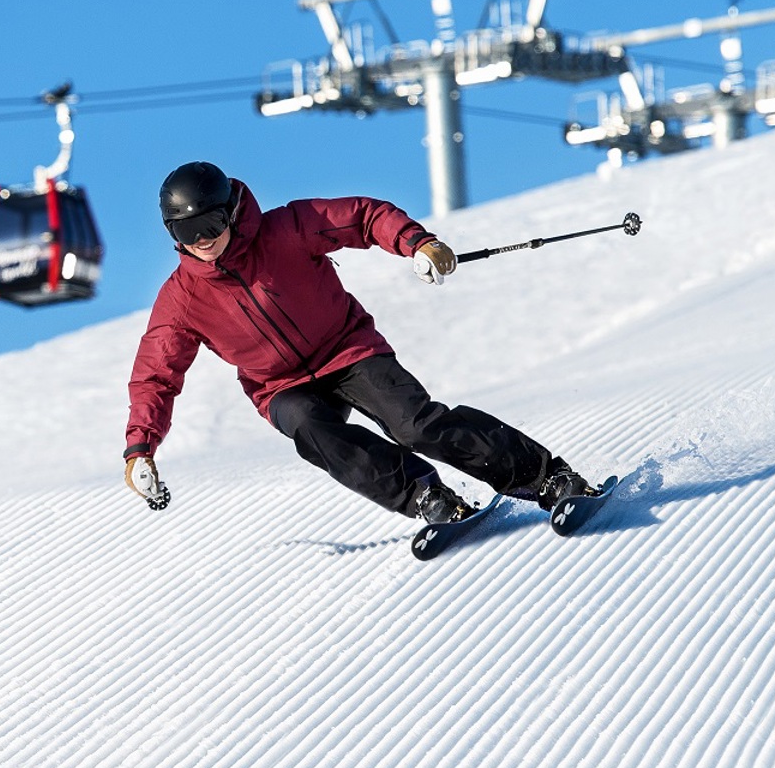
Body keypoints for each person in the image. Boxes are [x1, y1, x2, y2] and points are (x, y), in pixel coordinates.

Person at [122, 161, 592, 522]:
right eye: (187, 232)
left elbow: (362, 217)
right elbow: (154, 377)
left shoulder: (287, 229)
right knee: (313, 431)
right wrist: (140, 448)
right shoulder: (181, 299)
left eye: (211, 223)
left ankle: (546, 477)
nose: (203, 240)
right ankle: (426, 496)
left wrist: (417, 243)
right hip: (281, 385)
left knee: (416, 425)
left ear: (233, 211)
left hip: (347, 349)